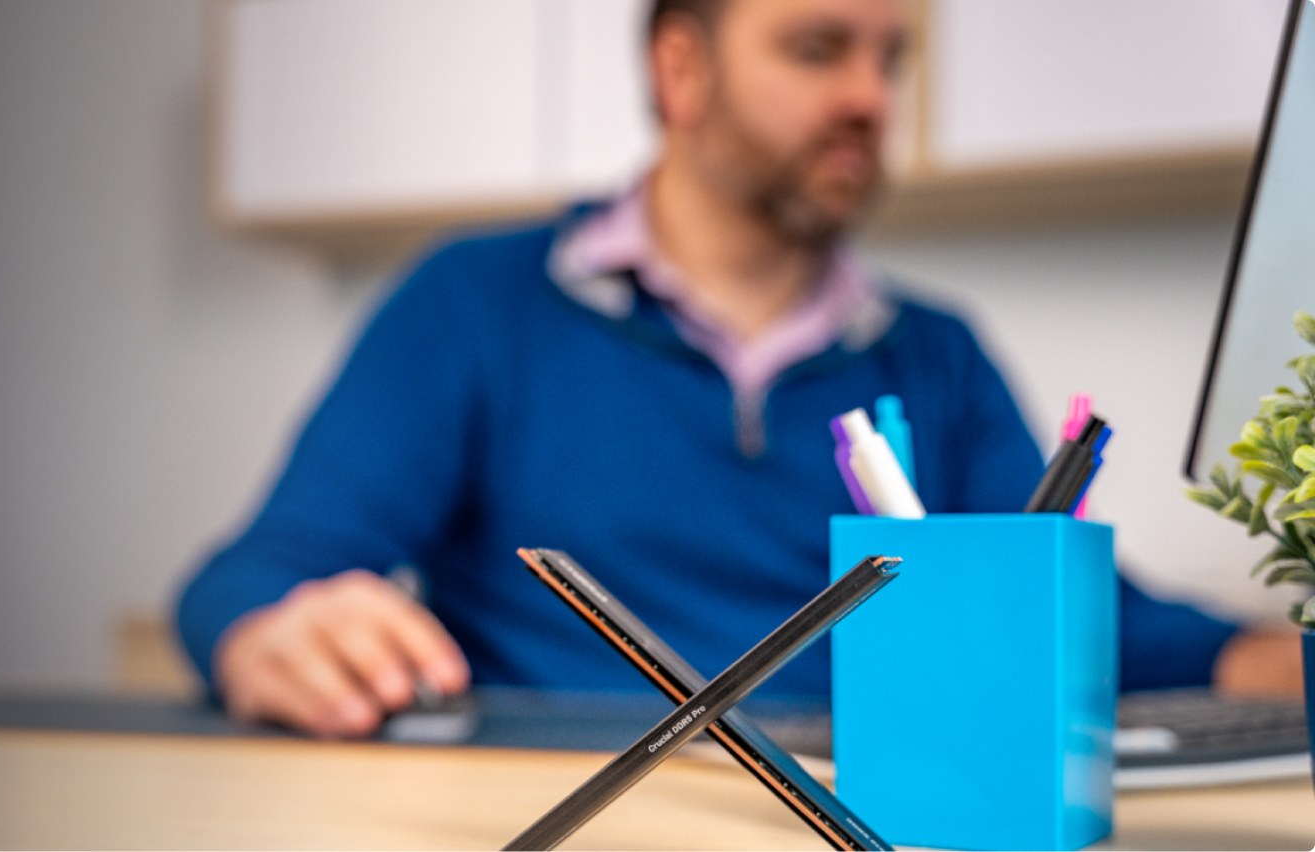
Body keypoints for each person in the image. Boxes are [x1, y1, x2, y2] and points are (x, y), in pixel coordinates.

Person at [175, 0, 1307, 740]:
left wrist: (1279, 660)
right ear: (681, 68)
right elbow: (260, 573)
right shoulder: (475, 304)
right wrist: (270, 637)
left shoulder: (935, 355)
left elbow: (1079, 623)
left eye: (889, 59)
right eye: (818, 49)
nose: (870, 99)